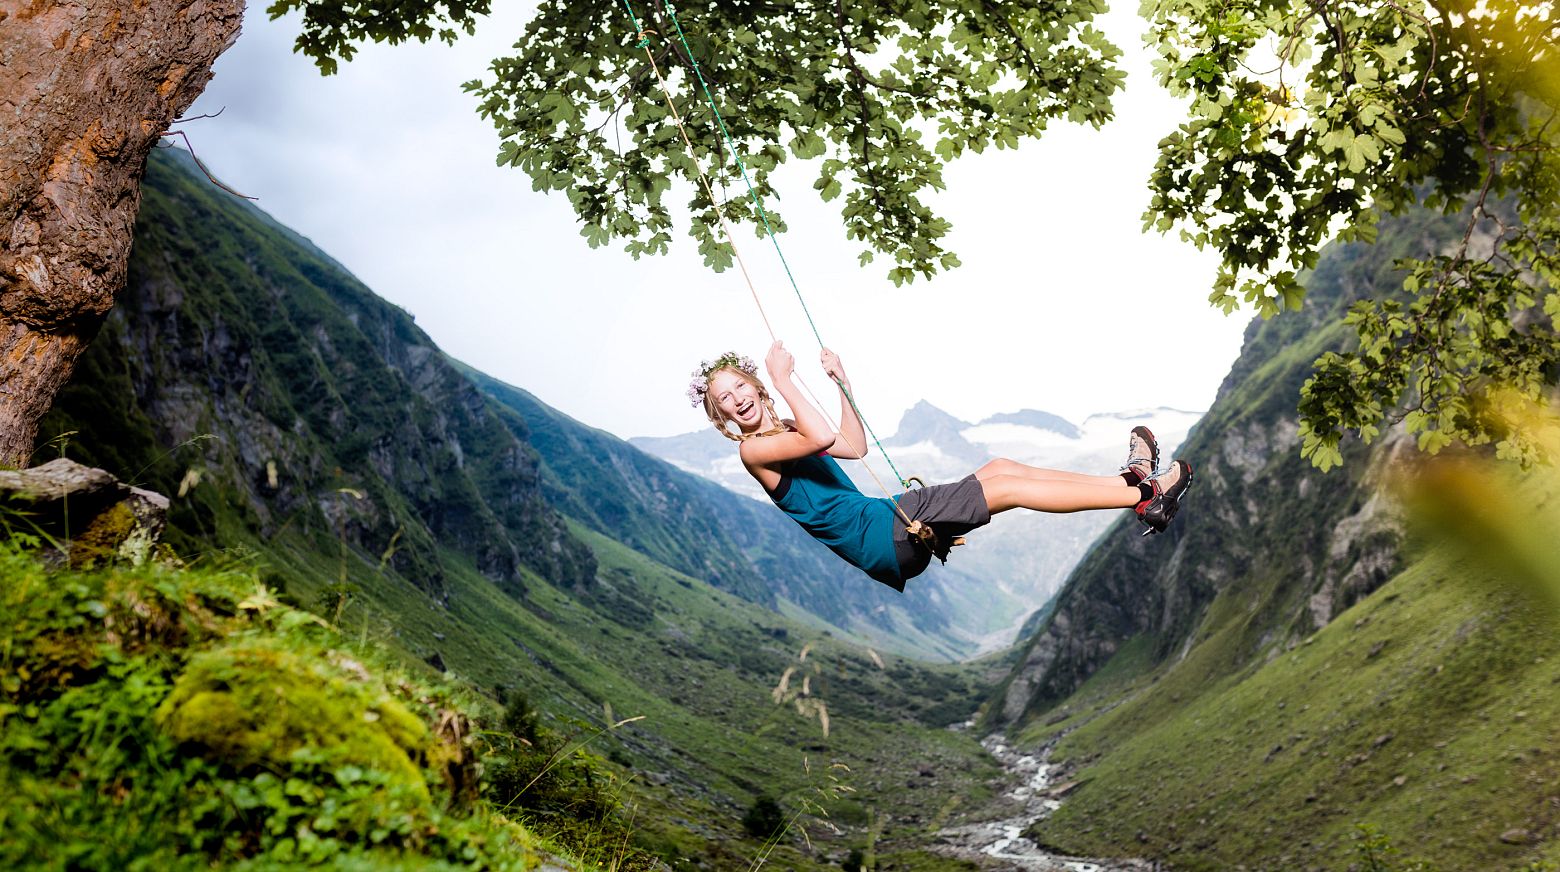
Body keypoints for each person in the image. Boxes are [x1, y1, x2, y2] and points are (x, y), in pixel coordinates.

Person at [688, 341, 1193, 591]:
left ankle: (1131, 483)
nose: (736, 399)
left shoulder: (783, 437)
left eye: (739, 387)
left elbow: (852, 445)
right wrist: (784, 379)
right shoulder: (754, 451)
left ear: (751, 389)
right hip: (882, 532)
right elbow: (821, 436)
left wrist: (842, 384)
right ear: (721, 415)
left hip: (884, 529)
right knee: (1007, 488)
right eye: (724, 398)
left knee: (1002, 469)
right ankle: (1144, 496)